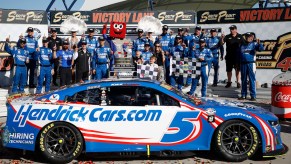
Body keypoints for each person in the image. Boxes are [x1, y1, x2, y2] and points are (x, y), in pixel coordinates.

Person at [238, 32, 264, 101]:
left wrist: (259, 44)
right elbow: (239, 54)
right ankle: (243, 95)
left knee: (252, 80)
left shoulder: (254, 44)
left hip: (251, 64)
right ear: (246, 37)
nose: (250, 38)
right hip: (243, 64)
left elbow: (261, 49)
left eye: (251, 37)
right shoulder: (241, 45)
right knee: (243, 80)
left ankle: (253, 96)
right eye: (249, 37)